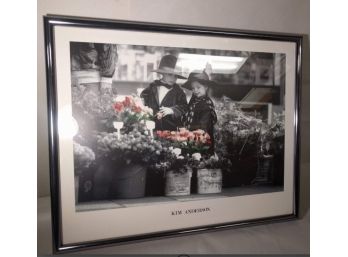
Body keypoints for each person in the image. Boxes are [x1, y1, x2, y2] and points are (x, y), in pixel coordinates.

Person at [140, 55, 188, 131]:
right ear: (162, 73)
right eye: (170, 74)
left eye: (176, 76)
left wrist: (172, 110)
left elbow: (184, 107)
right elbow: (142, 101)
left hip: (170, 130)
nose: (173, 78)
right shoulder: (152, 88)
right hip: (151, 128)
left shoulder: (179, 92)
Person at [182, 70, 218, 151]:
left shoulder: (206, 104)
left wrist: (193, 136)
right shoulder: (194, 101)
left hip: (202, 140)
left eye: (198, 87)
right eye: (193, 88)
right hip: (191, 138)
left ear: (206, 87)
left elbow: (203, 126)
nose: (195, 90)